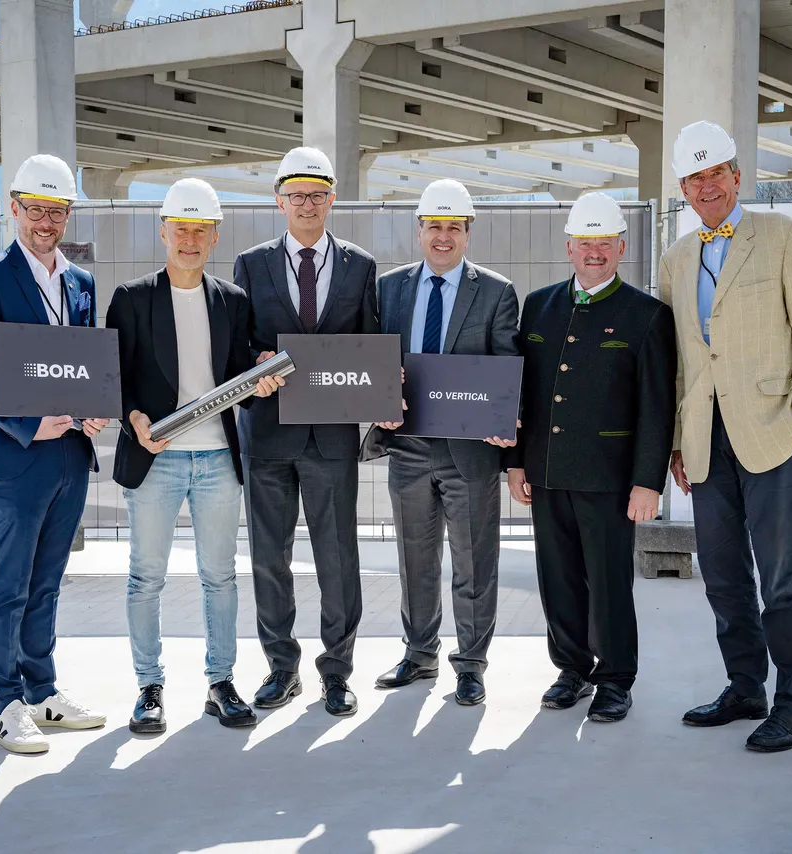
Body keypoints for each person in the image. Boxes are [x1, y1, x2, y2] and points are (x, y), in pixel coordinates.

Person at [660, 120, 792, 752]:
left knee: (782, 576)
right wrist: (678, 438)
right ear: (683, 187)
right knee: (723, 573)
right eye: (695, 178)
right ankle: (745, 687)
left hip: (770, 432)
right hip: (706, 438)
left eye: (717, 173)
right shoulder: (677, 258)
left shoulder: (785, 237)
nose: (707, 186)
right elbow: (679, 357)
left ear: (736, 175)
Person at [106, 179, 287, 735]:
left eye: (200, 231)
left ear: (214, 238)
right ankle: (149, 687)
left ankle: (220, 683)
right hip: (155, 458)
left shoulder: (231, 300)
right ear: (164, 231)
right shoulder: (132, 298)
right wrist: (134, 420)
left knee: (220, 577)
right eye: (181, 228)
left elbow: (236, 372)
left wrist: (259, 380)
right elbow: (115, 377)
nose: (189, 239)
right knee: (146, 578)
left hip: (215, 459)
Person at [0, 154, 110, 754]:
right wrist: (26, 422)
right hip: (10, 458)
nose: (46, 221)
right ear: (14, 207)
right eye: (36, 209)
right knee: (9, 585)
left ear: (68, 213)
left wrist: (94, 407)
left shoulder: (80, 282)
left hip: (68, 455)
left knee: (46, 585)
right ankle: (4, 705)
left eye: (57, 210)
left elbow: (78, 363)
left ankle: (42, 692)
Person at [505, 192, 676, 722]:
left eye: (605, 243)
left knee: (608, 582)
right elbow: (521, 393)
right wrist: (514, 461)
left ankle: (616, 678)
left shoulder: (646, 315)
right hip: (546, 471)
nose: (595, 252)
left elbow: (656, 406)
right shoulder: (539, 305)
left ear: (622, 247)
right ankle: (572, 669)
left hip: (609, 478)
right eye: (586, 243)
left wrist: (648, 481)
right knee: (556, 577)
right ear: (569, 247)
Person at [359, 179, 519, 707]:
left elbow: (504, 369)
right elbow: (376, 361)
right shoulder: (390, 289)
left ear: (468, 232)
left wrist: (503, 419)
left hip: (470, 452)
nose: (443, 237)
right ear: (420, 231)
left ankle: (471, 664)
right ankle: (419, 653)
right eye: (434, 227)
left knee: (475, 561)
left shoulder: (496, 292)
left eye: (454, 227)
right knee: (414, 558)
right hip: (407, 447)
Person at [234, 146, 379, 717]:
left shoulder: (360, 266)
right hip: (268, 435)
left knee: (338, 558)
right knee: (270, 557)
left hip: (332, 438)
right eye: (296, 196)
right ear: (279, 202)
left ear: (331, 199)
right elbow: (237, 343)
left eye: (317, 195)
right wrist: (255, 366)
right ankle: (281, 667)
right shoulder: (251, 264)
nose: (307, 204)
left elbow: (369, 346)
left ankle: (337, 672)